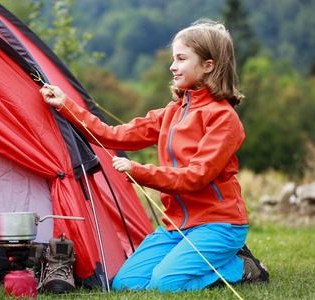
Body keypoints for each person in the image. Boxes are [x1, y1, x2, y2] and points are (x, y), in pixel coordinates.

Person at [39, 19, 269, 292]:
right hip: (176, 227)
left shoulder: (223, 118)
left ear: (209, 66)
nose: (173, 66)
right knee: (125, 283)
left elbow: (197, 177)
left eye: (181, 59)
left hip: (219, 224)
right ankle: (208, 261)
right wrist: (66, 105)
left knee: (164, 283)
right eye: (174, 58)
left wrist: (138, 170)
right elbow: (114, 135)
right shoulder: (172, 112)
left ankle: (243, 266)